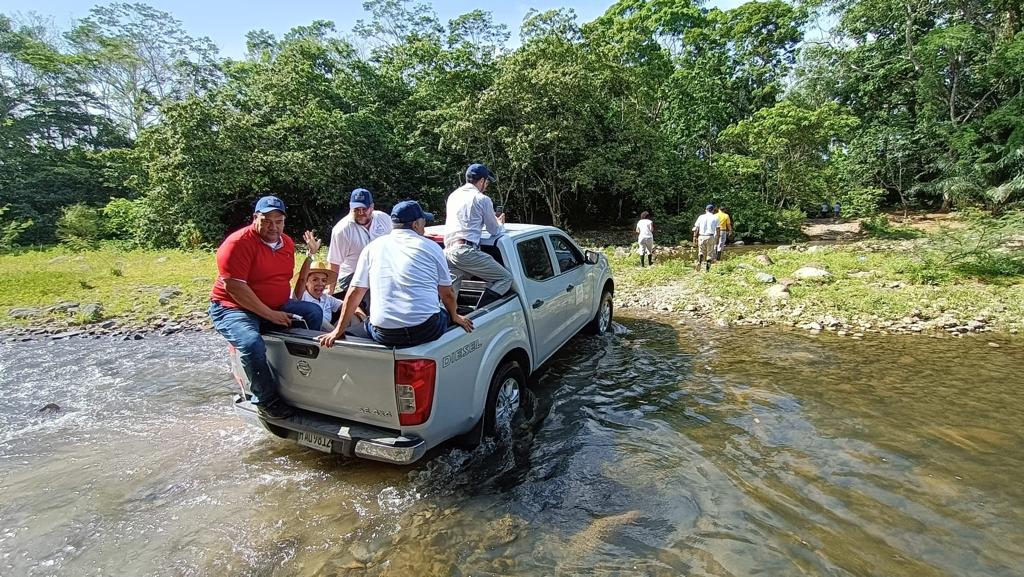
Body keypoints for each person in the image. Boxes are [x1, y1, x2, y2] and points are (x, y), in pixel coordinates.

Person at [208, 195, 323, 420]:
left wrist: (310, 256)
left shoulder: (287, 243)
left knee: (313, 312)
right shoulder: (237, 243)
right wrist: (271, 315)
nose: (273, 226)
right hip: (233, 308)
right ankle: (266, 400)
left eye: (278, 221)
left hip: (274, 304)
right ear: (255, 218)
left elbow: (285, 281)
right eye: (267, 220)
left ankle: (303, 381)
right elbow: (235, 288)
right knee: (251, 343)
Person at [318, 201, 474, 348]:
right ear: (415, 224)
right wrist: (454, 316)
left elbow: (354, 293)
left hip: (385, 335)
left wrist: (338, 330)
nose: (424, 228)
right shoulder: (432, 247)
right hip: (426, 330)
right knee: (442, 311)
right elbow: (447, 293)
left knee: (367, 322)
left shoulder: (372, 248)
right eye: (423, 223)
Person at [444, 163, 514, 308]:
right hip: (466, 252)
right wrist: (499, 223)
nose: (486, 186)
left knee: (450, 298)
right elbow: (494, 230)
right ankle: (481, 312)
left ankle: (448, 322)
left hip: (448, 252)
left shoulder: (453, 196)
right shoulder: (482, 199)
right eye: (487, 182)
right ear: (481, 181)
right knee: (505, 278)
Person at [326, 187, 392, 295]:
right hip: (352, 275)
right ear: (350, 208)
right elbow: (334, 262)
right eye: (356, 209)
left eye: (364, 209)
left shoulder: (384, 219)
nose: (361, 213)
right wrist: (330, 291)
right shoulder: (342, 230)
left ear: (372, 207)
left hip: (382, 271)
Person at [291, 231, 345, 331]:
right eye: (315, 280)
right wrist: (311, 254)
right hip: (309, 337)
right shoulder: (301, 296)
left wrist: (362, 316)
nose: (320, 283)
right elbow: (301, 279)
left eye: (324, 280)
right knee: (318, 315)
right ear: (307, 282)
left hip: (327, 335)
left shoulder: (327, 298)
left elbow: (348, 306)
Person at [691, 204, 721, 272]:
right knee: (710, 253)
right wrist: (718, 239)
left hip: (701, 236)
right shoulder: (715, 217)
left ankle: (699, 262)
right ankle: (707, 269)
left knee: (701, 251)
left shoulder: (701, 217)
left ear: (706, 210)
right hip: (710, 236)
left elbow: (696, 228)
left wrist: (695, 237)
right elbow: (718, 230)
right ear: (713, 210)